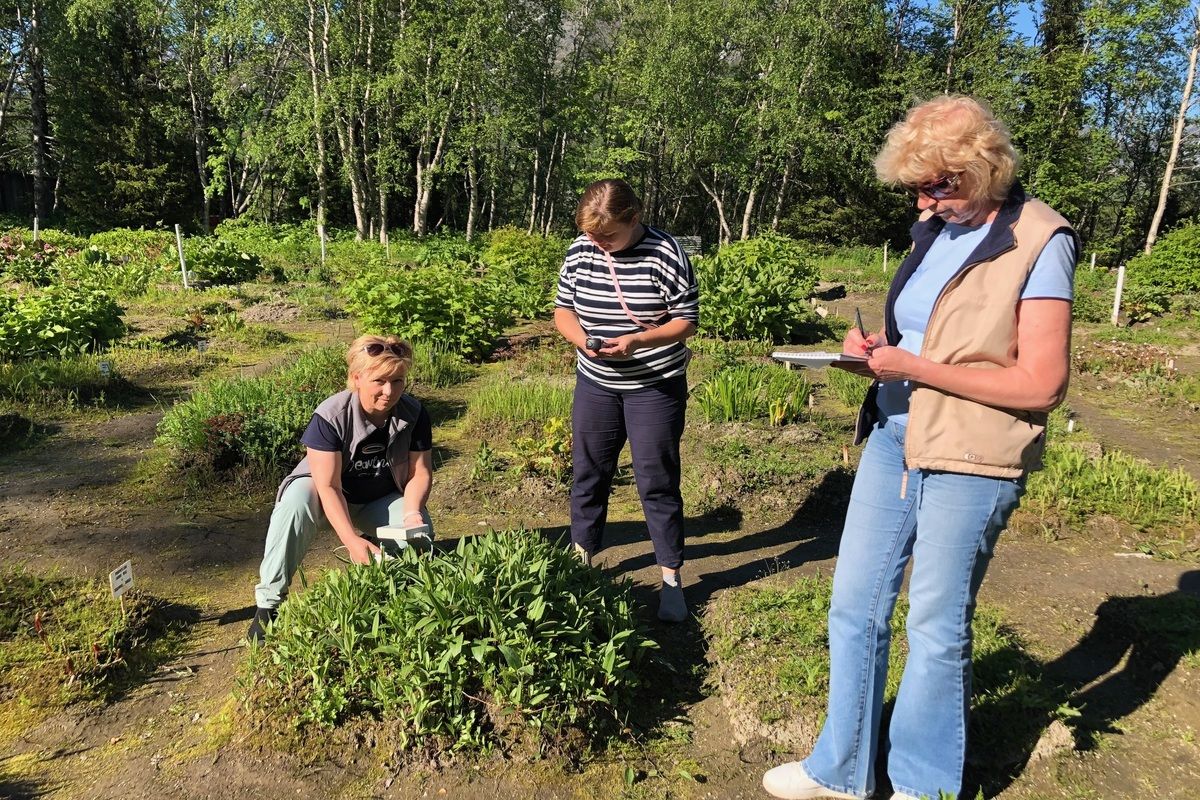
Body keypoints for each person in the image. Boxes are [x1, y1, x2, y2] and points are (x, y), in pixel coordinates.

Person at [762, 95, 1077, 800]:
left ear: (984, 168)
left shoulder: (1041, 238)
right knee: (854, 606)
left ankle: (922, 786)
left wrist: (918, 368)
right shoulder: (935, 229)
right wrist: (876, 351)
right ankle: (840, 772)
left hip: (972, 455)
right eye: (917, 188)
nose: (928, 201)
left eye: (941, 184)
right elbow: (923, 337)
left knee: (935, 626)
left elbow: (1042, 383)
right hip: (895, 438)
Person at [553, 178, 700, 623]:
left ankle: (671, 579)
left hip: (654, 385)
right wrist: (581, 341)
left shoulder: (665, 253)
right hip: (596, 381)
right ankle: (583, 560)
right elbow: (563, 309)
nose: (598, 245)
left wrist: (639, 340)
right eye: (592, 236)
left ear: (634, 219)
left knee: (655, 481)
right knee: (588, 472)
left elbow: (686, 321)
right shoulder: (581, 250)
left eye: (608, 237)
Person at [246, 335, 434, 642]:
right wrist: (349, 540)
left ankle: (389, 591)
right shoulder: (331, 416)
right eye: (380, 381)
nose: (390, 391)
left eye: (398, 381)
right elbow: (328, 486)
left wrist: (412, 512)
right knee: (295, 502)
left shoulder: (413, 413)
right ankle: (269, 605)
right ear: (357, 378)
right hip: (327, 495)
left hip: (379, 498)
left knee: (420, 532)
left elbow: (420, 473)